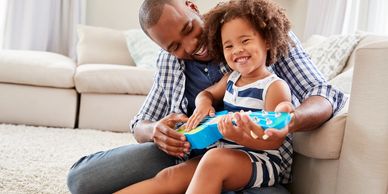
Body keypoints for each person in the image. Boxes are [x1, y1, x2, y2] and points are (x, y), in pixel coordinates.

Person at [66, 0, 347, 193]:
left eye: (189, 29)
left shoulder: (251, 33)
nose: (190, 46)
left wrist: (289, 120)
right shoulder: (169, 63)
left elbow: (322, 93)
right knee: (82, 180)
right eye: (174, 46)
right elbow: (141, 121)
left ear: (192, 6)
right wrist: (155, 131)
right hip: (187, 156)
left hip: (249, 158)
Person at [114, 0, 293, 193]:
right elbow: (206, 93)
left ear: (266, 40)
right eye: (229, 46)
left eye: (245, 41)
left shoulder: (275, 86)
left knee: (212, 162)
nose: (237, 50)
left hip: (261, 160)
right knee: (170, 176)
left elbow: (274, 140)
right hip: (224, 153)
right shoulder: (231, 78)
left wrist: (242, 137)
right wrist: (204, 104)